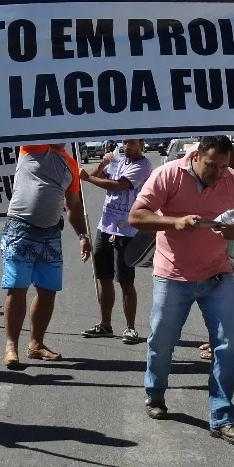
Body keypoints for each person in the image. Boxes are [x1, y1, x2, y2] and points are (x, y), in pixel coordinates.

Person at [129, 135, 234, 446]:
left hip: (217, 274)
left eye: (224, 167)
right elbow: (136, 215)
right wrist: (174, 222)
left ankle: (223, 418)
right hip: (173, 275)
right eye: (212, 165)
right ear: (197, 156)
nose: (217, 173)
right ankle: (155, 394)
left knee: (227, 346)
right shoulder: (168, 174)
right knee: (162, 340)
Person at [0, 144, 91, 369]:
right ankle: (11, 347)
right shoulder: (33, 146)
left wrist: (82, 235)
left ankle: (36, 344)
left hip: (50, 233)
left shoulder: (70, 163)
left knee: (48, 290)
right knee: (17, 287)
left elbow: (73, 206)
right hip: (20, 228)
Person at [80, 138, 153, 344]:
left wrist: (88, 178)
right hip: (106, 225)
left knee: (125, 279)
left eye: (131, 143)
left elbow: (119, 185)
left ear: (141, 144)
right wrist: (103, 164)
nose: (127, 146)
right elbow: (95, 175)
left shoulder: (143, 165)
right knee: (103, 276)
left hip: (126, 229)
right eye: (125, 142)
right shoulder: (118, 160)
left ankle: (130, 327)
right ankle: (105, 324)